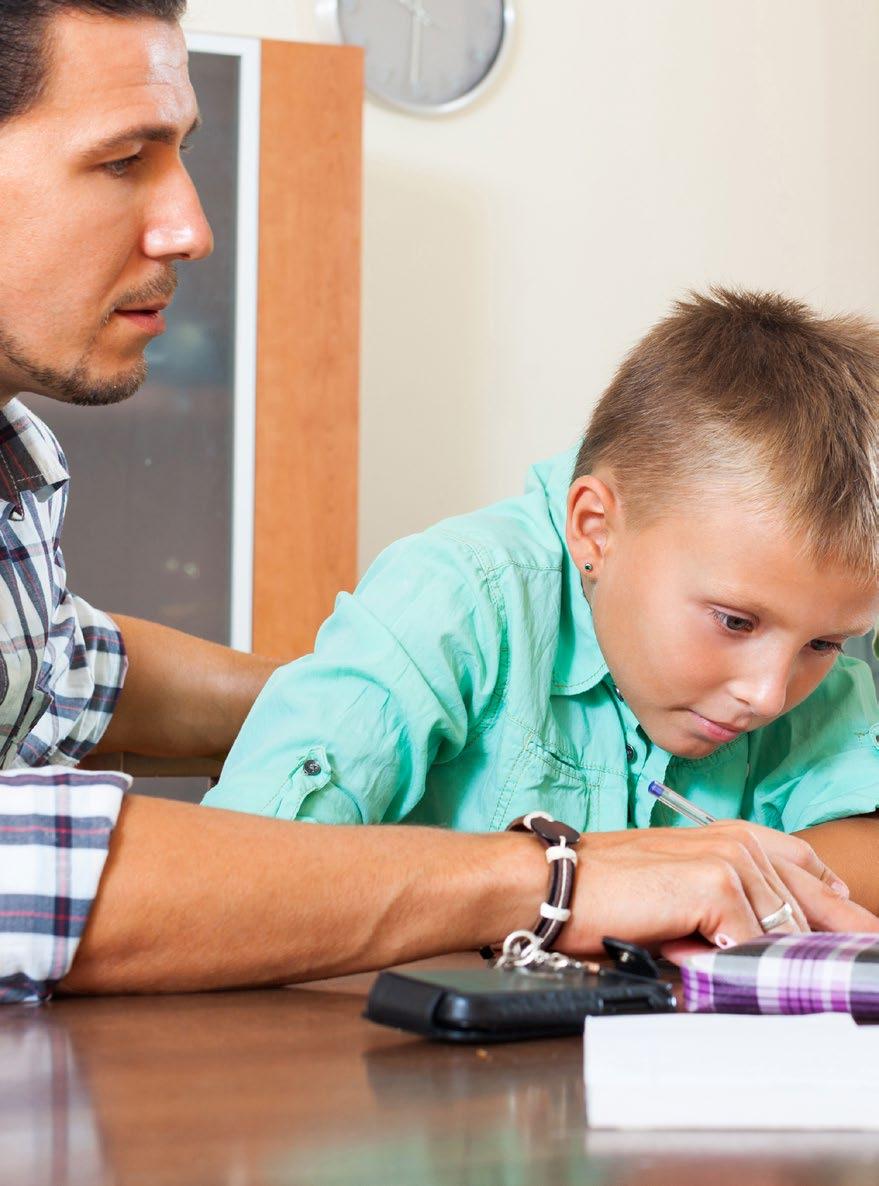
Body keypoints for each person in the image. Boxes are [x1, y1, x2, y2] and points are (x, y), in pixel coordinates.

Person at [1, 2, 874, 1007]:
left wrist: (375, 690)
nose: (195, 227)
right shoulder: (466, 589)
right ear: (595, 526)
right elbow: (25, 872)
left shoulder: (19, 472)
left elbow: (60, 670)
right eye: (121, 159)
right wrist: (553, 873)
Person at [207, 288, 879, 922]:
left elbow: (863, 854)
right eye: (734, 622)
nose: (766, 694)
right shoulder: (456, 598)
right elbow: (246, 869)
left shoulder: (801, 618)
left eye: (824, 644)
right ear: (594, 530)